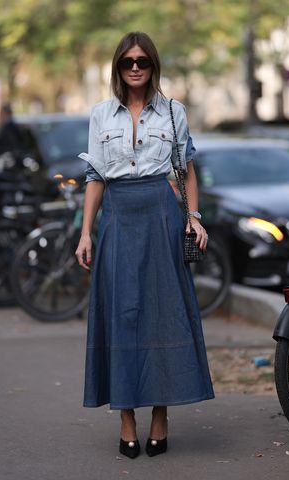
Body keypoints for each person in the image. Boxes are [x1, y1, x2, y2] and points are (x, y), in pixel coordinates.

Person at [75, 31, 215, 459]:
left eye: (143, 61)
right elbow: (95, 178)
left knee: (161, 316)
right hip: (118, 218)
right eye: (127, 62)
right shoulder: (101, 114)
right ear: (117, 68)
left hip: (160, 216)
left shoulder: (173, 111)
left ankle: (160, 416)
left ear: (153, 66)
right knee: (123, 316)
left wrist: (193, 217)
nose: (135, 67)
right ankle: (126, 420)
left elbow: (186, 170)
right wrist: (85, 232)